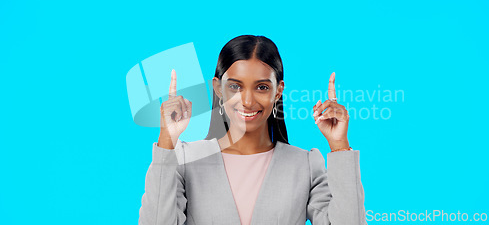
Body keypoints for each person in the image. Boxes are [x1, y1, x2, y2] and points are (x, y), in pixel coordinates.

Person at [138, 35, 367, 225]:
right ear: (218, 88)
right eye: (235, 86)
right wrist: (167, 141)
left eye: (262, 87)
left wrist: (339, 145)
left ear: (278, 91)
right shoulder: (186, 159)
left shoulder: (305, 165)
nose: (247, 101)